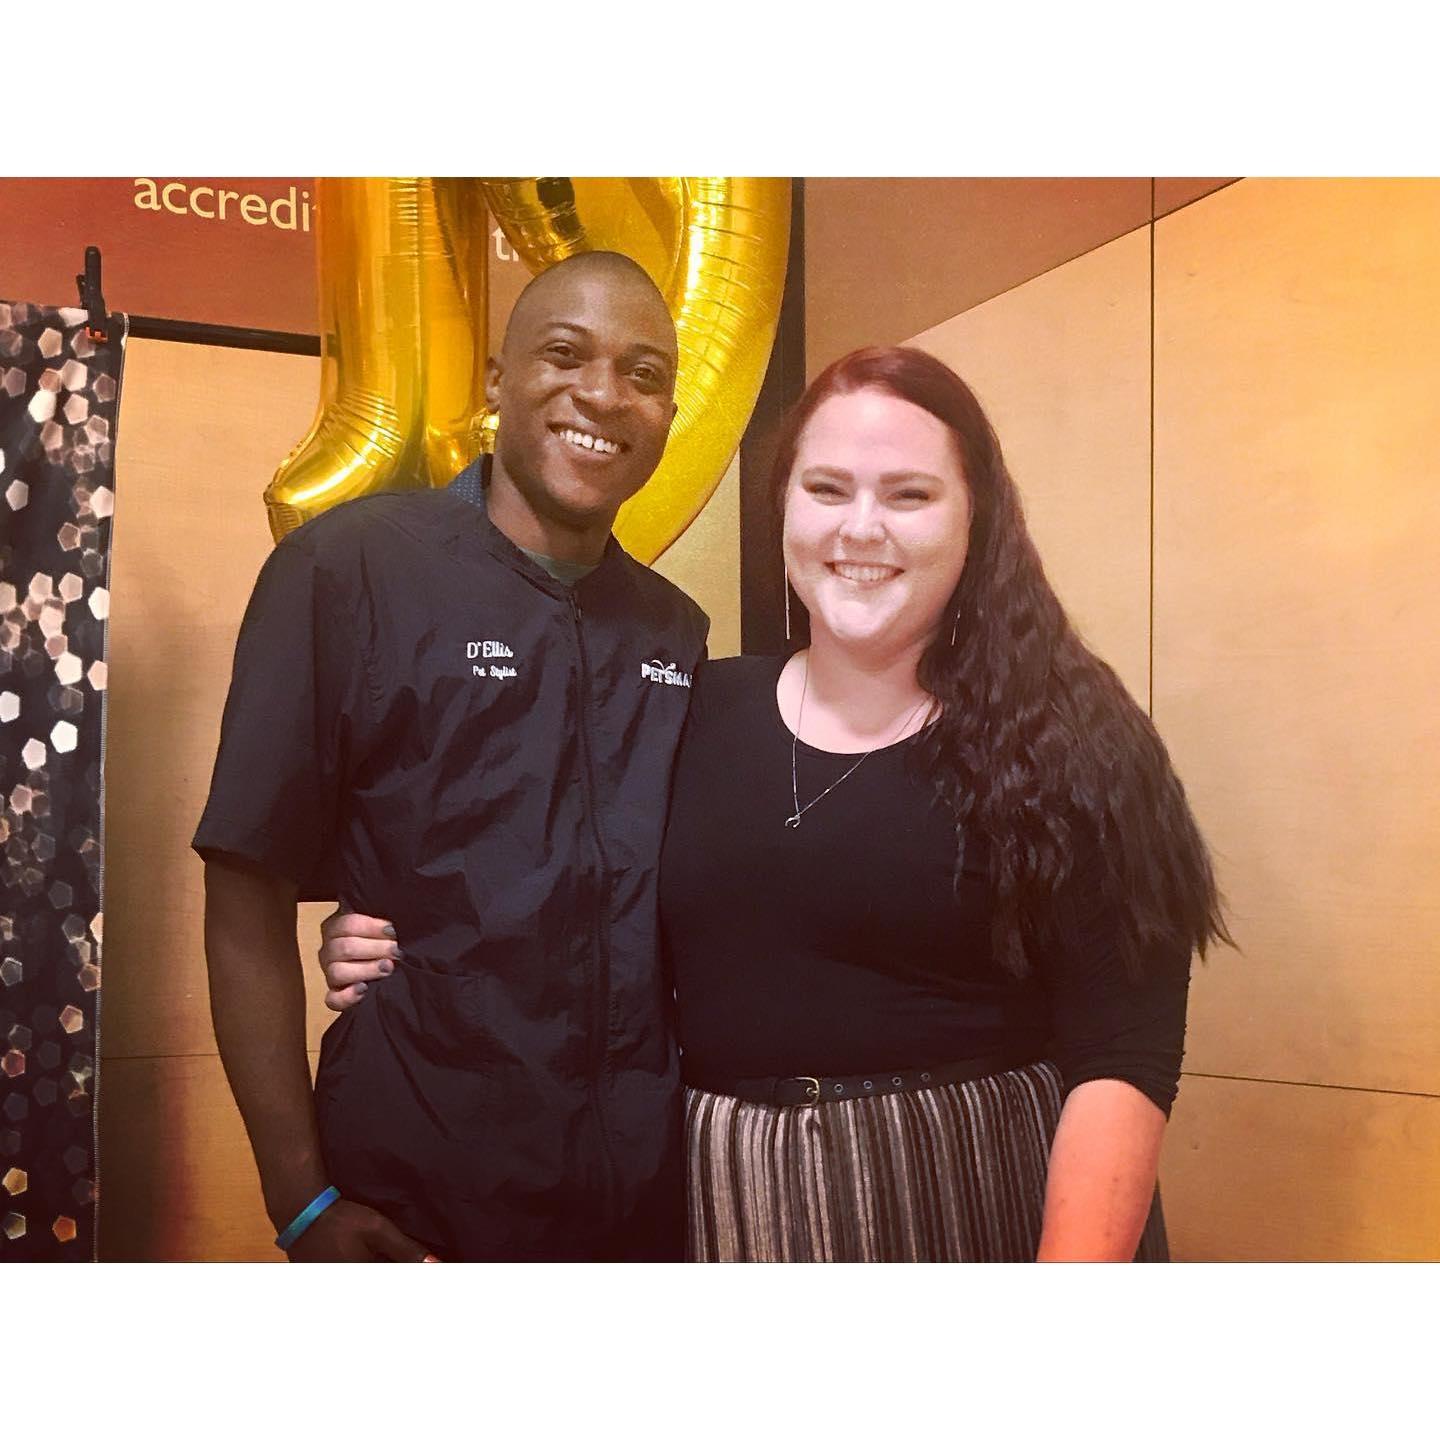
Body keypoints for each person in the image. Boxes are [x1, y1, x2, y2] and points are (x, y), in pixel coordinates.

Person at [322, 345, 1230, 1261]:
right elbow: (567, 895)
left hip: (984, 1204)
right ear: (784, 507)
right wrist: (408, 937)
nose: (861, 528)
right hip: (731, 1213)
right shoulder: (690, 708)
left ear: (977, 518)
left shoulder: (1074, 733)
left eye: (909, 495)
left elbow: (1125, 1053)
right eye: (827, 489)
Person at [194, 250, 708, 1261]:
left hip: (641, 1202)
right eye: (565, 354)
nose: (604, 395)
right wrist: (299, 1200)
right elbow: (245, 892)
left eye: (643, 374)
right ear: (497, 380)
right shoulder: (347, 570)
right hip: (416, 1199)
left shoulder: (674, 632)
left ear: (668, 412)